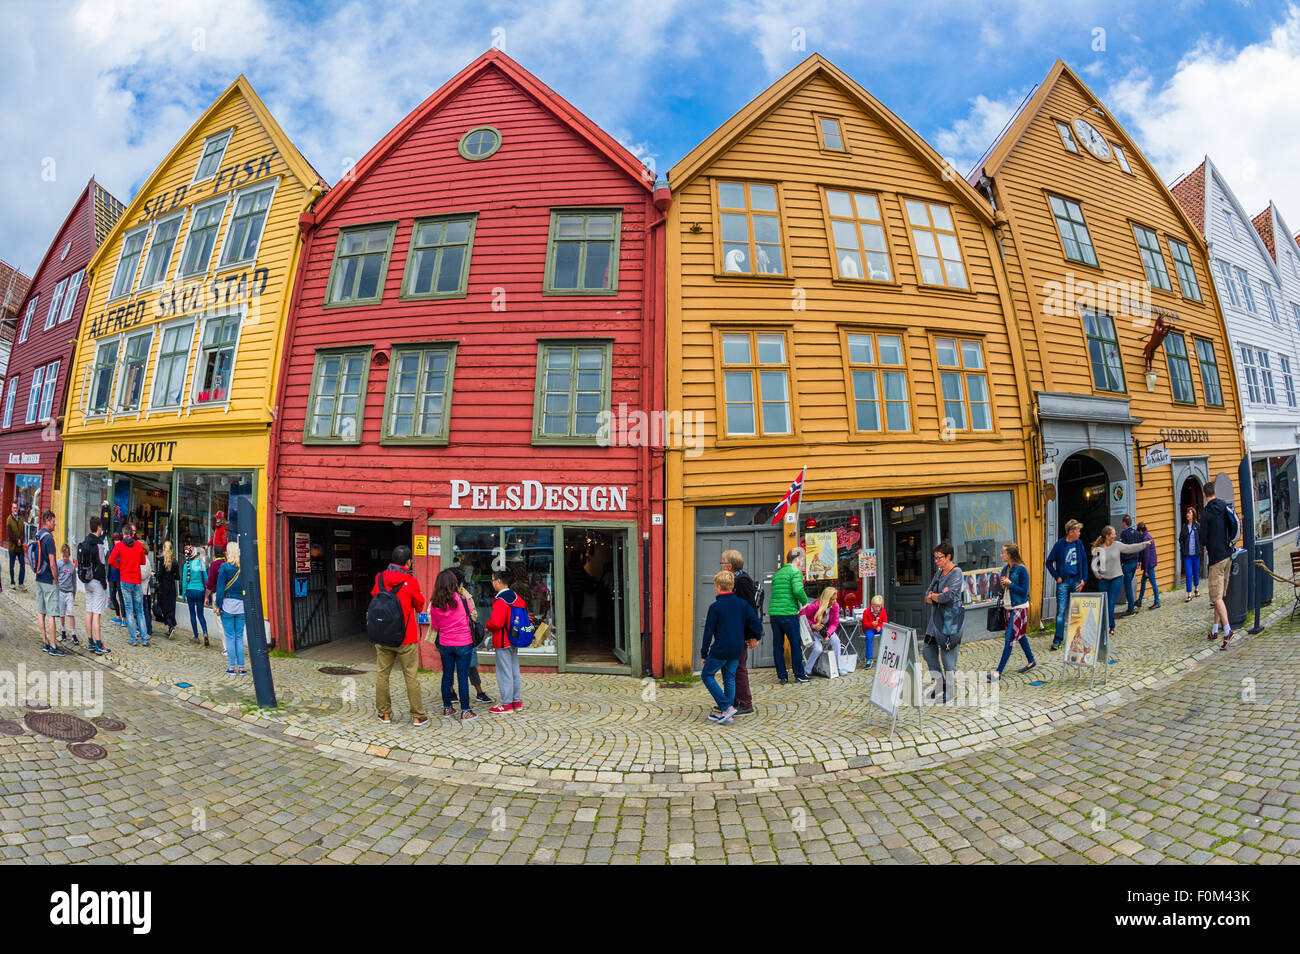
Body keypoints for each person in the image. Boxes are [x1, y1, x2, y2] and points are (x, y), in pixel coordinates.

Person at [369, 545, 428, 726]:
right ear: (408, 562)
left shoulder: (379, 578)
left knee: (382, 674)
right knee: (410, 675)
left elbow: (374, 595)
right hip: (406, 637)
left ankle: (384, 714)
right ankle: (417, 715)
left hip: (382, 634)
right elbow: (419, 606)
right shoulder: (410, 581)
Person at [699, 569, 762, 724]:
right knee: (729, 677)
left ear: (718, 587)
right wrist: (756, 637)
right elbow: (756, 623)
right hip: (737, 648)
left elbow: (708, 632)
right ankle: (729, 711)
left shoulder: (715, 607)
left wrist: (704, 653)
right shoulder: (742, 604)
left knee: (707, 675)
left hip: (721, 648)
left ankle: (727, 706)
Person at [427, 568, 476, 721]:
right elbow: (471, 618)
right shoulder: (462, 599)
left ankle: (447, 708)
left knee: (447, 676)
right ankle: (466, 711)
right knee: (462, 677)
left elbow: (435, 626)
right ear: (454, 583)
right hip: (463, 643)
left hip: (445, 644)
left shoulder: (435, 603)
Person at [1090, 525, 1149, 651]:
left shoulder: (1117, 545)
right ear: (1107, 536)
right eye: (1113, 533)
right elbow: (1094, 564)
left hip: (1117, 577)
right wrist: (1097, 575)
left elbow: (1130, 548)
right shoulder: (1099, 549)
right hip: (1104, 579)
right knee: (1104, 604)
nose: (1115, 535)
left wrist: (1144, 544)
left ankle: (1110, 627)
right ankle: (1107, 625)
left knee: (1111, 602)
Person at [1199, 481, 1239, 649]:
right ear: (1214, 491)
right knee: (1220, 597)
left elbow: (1202, 538)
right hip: (1227, 555)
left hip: (1216, 559)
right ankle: (1215, 630)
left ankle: (1228, 630)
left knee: (1215, 597)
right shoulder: (1223, 506)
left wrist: (1209, 547)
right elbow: (1233, 524)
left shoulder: (1206, 513)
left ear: (1204, 494)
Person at [923, 541, 964, 703]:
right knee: (927, 651)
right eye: (935, 558)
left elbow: (950, 597)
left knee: (948, 657)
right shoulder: (939, 573)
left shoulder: (956, 573)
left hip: (949, 620)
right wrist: (936, 596)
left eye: (939, 558)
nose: (937, 561)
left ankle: (950, 689)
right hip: (935, 621)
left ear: (949, 557)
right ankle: (940, 683)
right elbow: (927, 594)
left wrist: (935, 596)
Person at [720, 549, 760, 714]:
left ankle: (744, 703)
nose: (720, 565)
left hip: (741, 632)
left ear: (729, 566)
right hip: (734, 631)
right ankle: (733, 701)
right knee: (732, 667)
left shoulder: (742, 581)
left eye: (722, 562)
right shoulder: (734, 580)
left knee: (738, 667)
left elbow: (751, 609)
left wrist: (751, 635)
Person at [990, 542, 1035, 680]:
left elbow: (1024, 592)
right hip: (1008, 608)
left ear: (1009, 555)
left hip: (1019, 608)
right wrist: (1003, 586)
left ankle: (998, 672)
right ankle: (1031, 661)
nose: (1001, 555)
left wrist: (1011, 584)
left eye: (1003, 553)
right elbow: (1005, 590)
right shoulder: (1005, 570)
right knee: (1020, 635)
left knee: (1009, 638)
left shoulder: (1021, 570)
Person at [448, 565, 492, 705]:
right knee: (449, 665)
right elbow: (433, 615)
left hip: (465, 636)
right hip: (448, 637)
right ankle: (451, 692)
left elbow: (473, 615)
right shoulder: (442, 595)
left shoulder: (465, 595)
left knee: (470, 665)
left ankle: (478, 692)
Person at [486, 568, 527, 713]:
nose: (491, 583)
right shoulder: (516, 597)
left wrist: (487, 625)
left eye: (492, 580)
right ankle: (516, 701)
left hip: (502, 640)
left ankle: (506, 703)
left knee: (504, 672)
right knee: (514, 670)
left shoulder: (501, 599)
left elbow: (496, 623)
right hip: (514, 638)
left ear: (498, 581)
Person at [767, 547, 810, 684]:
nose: (802, 563)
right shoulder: (795, 571)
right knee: (795, 644)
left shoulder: (778, 573)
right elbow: (798, 590)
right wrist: (804, 601)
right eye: (802, 560)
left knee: (777, 645)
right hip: (788, 613)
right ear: (797, 560)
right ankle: (799, 675)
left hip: (774, 613)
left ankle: (782, 676)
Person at [1045, 519, 1088, 650]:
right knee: (1061, 611)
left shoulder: (1079, 544)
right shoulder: (1060, 545)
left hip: (1076, 580)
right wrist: (1056, 576)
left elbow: (1085, 562)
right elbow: (1049, 562)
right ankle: (1058, 639)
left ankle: (1077, 638)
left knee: (1077, 610)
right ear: (1071, 532)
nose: (1080, 533)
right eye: (1078, 530)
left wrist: (1083, 580)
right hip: (1063, 581)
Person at [109, 526, 149, 644]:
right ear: (132, 533)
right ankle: (145, 639)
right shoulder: (138, 545)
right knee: (140, 610)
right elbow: (143, 561)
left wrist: (120, 567)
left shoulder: (119, 546)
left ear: (123, 534)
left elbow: (111, 561)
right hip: (136, 580)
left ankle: (133, 639)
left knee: (129, 610)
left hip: (125, 579)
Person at [214, 540, 248, 675]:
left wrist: (218, 605)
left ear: (229, 553)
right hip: (241, 606)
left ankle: (232, 667)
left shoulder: (224, 567)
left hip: (227, 605)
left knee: (230, 637)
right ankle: (242, 667)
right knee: (239, 637)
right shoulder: (243, 568)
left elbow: (220, 588)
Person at [80, 516, 111, 656]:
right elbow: (101, 565)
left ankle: (91, 642)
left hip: (87, 581)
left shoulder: (85, 542)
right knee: (97, 614)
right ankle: (99, 644)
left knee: (89, 611)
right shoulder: (98, 544)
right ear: (98, 527)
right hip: (97, 582)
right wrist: (104, 584)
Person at [33, 510, 62, 656]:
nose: (55, 523)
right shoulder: (49, 539)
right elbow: (52, 563)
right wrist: (57, 580)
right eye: (53, 521)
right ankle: (53, 645)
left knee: (41, 612)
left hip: (38, 577)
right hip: (48, 580)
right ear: (48, 520)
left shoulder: (38, 534)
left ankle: (44, 641)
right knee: (51, 614)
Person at [800, 586, 842, 677]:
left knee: (836, 642)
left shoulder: (835, 606)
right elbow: (801, 615)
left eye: (835, 599)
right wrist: (813, 625)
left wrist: (828, 633)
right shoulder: (815, 606)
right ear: (827, 599)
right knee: (818, 649)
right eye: (832, 600)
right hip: (814, 631)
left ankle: (838, 667)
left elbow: (834, 623)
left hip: (827, 630)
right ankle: (807, 669)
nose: (835, 602)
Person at [182, 546, 209, 646]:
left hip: (190, 591)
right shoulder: (201, 564)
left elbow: (184, 582)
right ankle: (205, 633)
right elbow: (206, 579)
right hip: (200, 591)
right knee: (201, 614)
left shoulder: (186, 565)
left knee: (192, 614)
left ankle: (196, 636)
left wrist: (184, 595)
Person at [155, 540, 179, 639]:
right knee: (171, 607)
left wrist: (154, 574)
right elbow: (177, 577)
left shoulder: (162, 560)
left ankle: (170, 625)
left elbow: (159, 574)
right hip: (172, 587)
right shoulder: (175, 561)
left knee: (164, 607)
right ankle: (171, 626)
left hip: (163, 587)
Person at [56, 544, 80, 648]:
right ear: (62, 555)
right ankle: (63, 630)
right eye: (64, 556)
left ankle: (73, 632)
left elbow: (74, 580)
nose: (66, 558)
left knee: (71, 613)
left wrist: (74, 592)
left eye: (67, 556)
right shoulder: (58, 563)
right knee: (62, 613)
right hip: (61, 591)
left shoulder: (71, 566)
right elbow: (56, 577)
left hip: (69, 592)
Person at [1118, 515, 1142, 615]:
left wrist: (1121, 562)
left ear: (1124, 523)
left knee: (1127, 586)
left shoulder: (1124, 534)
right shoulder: (1136, 533)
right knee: (1129, 584)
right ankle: (1131, 605)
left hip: (1127, 563)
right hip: (1134, 562)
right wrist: (1139, 560)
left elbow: (1123, 549)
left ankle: (1131, 608)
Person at [1178, 506, 1202, 602]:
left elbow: (1201, 538)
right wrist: (1183, 549)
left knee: (1196, 572)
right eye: (1187, 513)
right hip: (1187, 555)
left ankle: (1196, 588)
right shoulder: (1184, 527)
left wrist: (1200, 547)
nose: (1188, 514)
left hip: (1196, 554)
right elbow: (1181, 539)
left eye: (1190, 513)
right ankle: (1189, 594)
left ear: (1193, 515)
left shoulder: (1197, 526)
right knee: (1188, 573)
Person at [1136, 522, 1161, 610]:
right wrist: (1139, 561)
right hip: (1149, 564)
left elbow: (1146, 556)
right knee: (1143, 582)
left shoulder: (1146, 539)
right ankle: (1139, 601)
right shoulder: (1146, 537)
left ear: (1140, 531)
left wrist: (1146, 570)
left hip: (1149, 565)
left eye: (1138, 531)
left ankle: (1157, 601)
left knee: (1153, 583)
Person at [862, 594, 887, 669]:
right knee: (869, 637)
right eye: (876, 606)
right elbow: (864, 624)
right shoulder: (866, 611)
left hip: (878, 629)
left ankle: (885, 657)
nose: (878, 608)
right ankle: (869, 659)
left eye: (879, 606)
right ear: (872, 605)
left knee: (885, 635)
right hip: (869, 629)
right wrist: (872, 624)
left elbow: (885, 622)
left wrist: (880, 626)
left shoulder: (883, 611)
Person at [6, 501, 25, 590]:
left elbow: (23, 533)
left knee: (22, 565)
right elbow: (10, 534)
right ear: (11, 509)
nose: (15, 509)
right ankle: (12, 582)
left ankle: (21, 583)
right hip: (13, 547)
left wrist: (21, 540)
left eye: (16, 508)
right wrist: (16, 541)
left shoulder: (21, 520)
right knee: (11, 566)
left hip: (20, 548)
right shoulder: (9, 520)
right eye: (14, 508)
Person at [107, 532, 125, 625]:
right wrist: (108, 576)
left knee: (121, 597)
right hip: (112, 576)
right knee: (113, 596)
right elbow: (109, 563)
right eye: (115, 540)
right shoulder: (112, 549)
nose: (116, 542)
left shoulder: (122, 549)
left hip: (120, 576)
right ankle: (118, 615)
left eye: (118, 540)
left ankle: (124, 618)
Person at [139, 541, 155, 640]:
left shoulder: (145, 559)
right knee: (141, 611)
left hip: (144, 590)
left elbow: (143, 575)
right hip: (141, 589)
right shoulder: (142, 559)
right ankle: (141, 628)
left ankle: (148, 630)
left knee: (145, 611)